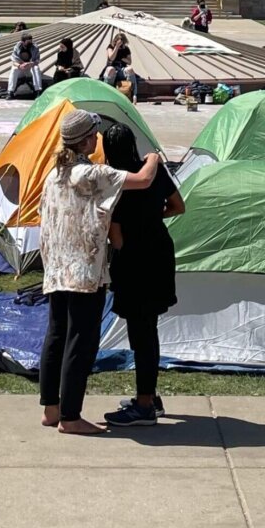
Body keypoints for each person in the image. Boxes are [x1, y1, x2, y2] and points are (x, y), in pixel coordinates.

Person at [38, 109, 161, 434]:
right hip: (83, 270)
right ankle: (71, 416)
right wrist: (153, 157)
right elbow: (143, 180)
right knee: (81, 341)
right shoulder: (90, 174)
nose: (98, 139)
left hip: (56, 267)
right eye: (94, 134)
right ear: (85, 140)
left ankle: (51, 409)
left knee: (56, 336)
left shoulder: (54, 175)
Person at [100, 122, 185, 427]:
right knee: (150, 328)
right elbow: (178, 206)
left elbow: (117, 239)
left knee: (141, 333)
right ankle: (149, 395)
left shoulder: (116, 181)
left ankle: (145, 404)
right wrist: (152, 217)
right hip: (160, 251)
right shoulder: (154, 172)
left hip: (133, 260)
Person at [102, 32, 138, 102]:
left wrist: (121, 58)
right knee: (110, 69)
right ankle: (107, 94)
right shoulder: (110, 47)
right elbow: (111, 58)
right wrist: (116, 47)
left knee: (130, 69)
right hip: (112, 68)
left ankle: (134, 94)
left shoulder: (126, 49)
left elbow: (129, 62)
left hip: (121, 68)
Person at [8, 32, 42, 98]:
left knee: (36, 68)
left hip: (30, 68)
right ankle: (10, 92)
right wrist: (19, 66)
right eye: (28, 42)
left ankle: (38, 91)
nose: (30, 43)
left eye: (30, 41)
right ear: (22, 42)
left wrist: (31, 63)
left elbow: (37, 60)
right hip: (21, 67)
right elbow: (14, 61)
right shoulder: (17, 47)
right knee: (14, 69)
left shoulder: (35, 47)